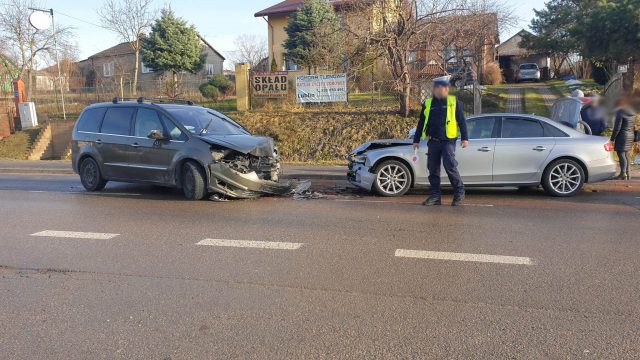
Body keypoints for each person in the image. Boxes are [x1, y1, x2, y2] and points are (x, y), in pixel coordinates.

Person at [413, 76, 469, 206]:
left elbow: (462, 121)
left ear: (447, 88)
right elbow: (421, 123)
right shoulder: (428, 103)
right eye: (437, 88)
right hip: (433, 141)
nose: (440, 90)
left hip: (448, 141)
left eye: (443, 87)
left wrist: (465, 138)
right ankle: (435, 196)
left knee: (450, 166)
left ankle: (459, 192)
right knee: (433, 169)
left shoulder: (453, 102)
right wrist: (416, 140)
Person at [608, 96, 637, 180]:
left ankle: (623, 174)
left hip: (622, 135)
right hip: (630, 135)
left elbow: (617, 128)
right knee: (626, 154)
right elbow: (633, 126)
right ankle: (628, 173)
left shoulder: (620, 112)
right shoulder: (633, 112)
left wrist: (612, 139)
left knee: (621, 154)